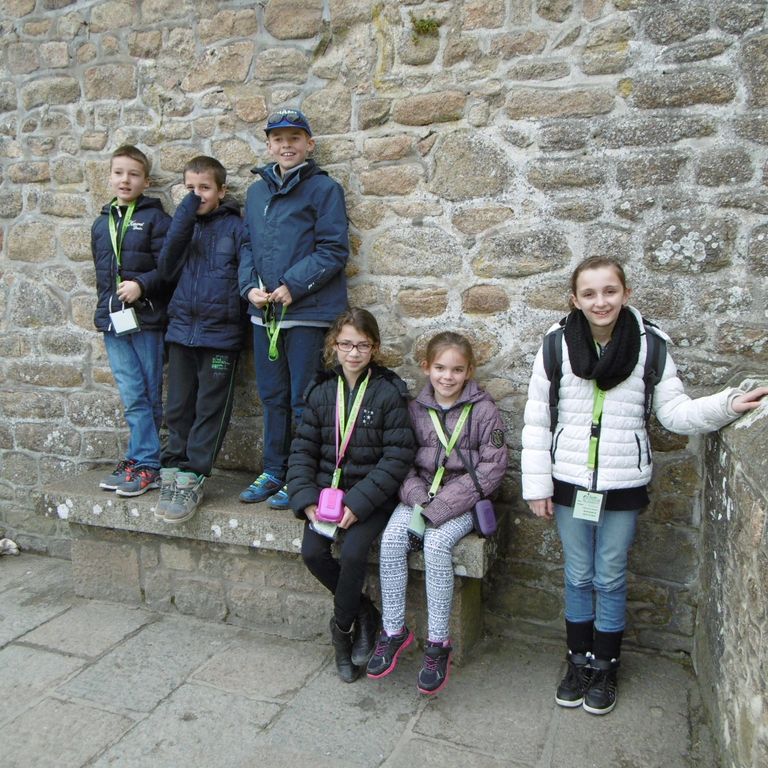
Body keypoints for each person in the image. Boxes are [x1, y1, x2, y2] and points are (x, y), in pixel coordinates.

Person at [521, 256, 768, 716]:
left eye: (609, 291)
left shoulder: (650, 345)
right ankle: (577, 662)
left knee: (610, 575)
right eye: (589, 293)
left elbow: (674, 411)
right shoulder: (555, 344)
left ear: (626, 294)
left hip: (622, 483)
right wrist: (537, 486)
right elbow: (537, 417)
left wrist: (729, 405)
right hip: (569, 481)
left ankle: (605, 666)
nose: (600, 301)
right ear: (575, 299)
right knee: (578, 574)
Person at [366, 332, 508, 695]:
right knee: (392, 539)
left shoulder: (483, 410)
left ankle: (438, 643)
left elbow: (492, 469)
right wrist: (418, 498)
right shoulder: (414, 408)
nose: (448, 376)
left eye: (457, 370)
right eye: (441, 368)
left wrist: (442, 506)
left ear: (469, 371)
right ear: (427, 367)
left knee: (436, 545)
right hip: (419, 497)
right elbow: (400, 459)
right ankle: (393, 630)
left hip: (462, 502)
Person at [287, 308, 415, 683]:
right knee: (313, 553)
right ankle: (364, 612)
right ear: (334, 345)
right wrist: (307, 499)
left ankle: (341, 635)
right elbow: (302, 451)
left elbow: (397, 458)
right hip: (326, 496)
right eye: (346, 344)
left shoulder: (389, 392)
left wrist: (358, 504)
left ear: (374, 347)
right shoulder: (321, 391)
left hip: (371, 498)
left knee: (355, 552)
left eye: (362, 345)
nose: (354, 353)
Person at [238, 108, 349, 510]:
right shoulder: (256, 193)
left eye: (295, 138)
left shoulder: (324, 189)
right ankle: (274, 469)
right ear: (269, 145)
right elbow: (247, 245)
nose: (287, 145)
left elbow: (334, 249)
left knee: (305, 400)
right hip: (264, 314)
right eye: (279, 139)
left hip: (307, 312)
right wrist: (249, 288)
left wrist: (293, 286)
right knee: (272, 397)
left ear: (309, 144)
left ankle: (302, 477)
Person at [155, 156, 247, 523]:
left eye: (204, 188)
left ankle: (193, 476)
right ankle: (172, 468)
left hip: (220, 336)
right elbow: (166, 269)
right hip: (181, 332)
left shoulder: (236, 228)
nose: (197, 195)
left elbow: (245, 275)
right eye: (190, 189)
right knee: (177, 407)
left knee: (210, 409)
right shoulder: (182, 226)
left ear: (221, 191)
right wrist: (184, 218)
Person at [92, 144, 171, 496]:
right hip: (113, 321)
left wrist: (142, 285)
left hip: (146, 320)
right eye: (119, 173)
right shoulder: (101, 223)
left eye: (134, 174)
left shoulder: (157, 220)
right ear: (110, 177)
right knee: (131, 392)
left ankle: (148, 463)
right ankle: (138, 456)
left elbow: (170, 267)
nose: (126, 180)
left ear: (146, 181)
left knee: (148, 392)